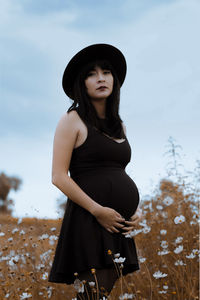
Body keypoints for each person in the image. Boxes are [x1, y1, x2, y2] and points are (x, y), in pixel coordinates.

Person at [48, 43, 143, 299]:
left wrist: (135, 211)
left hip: (116, 223)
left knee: (101, 293)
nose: (101, 78)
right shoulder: (72, 120)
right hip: (90, 219)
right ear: (82, 83)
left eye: (106, 72)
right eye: (92, 73)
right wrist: (97, 210)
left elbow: (118, 173)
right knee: (91, 294)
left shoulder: (120, 125)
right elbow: (58, 176)